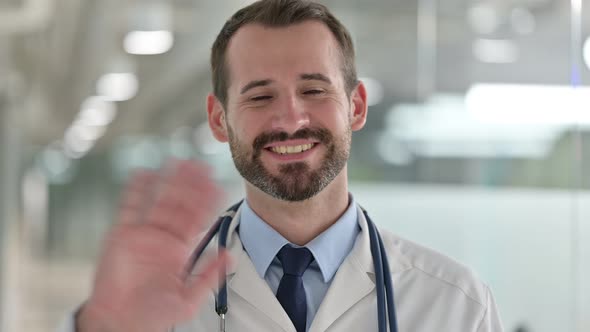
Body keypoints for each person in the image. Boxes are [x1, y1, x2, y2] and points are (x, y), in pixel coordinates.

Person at [62, 0, 503, 331]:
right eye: (260, 96)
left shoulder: (454, 305)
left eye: (314, 90)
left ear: (356, 106)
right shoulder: (157, 295)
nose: (291, 119)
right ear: (219, 119)